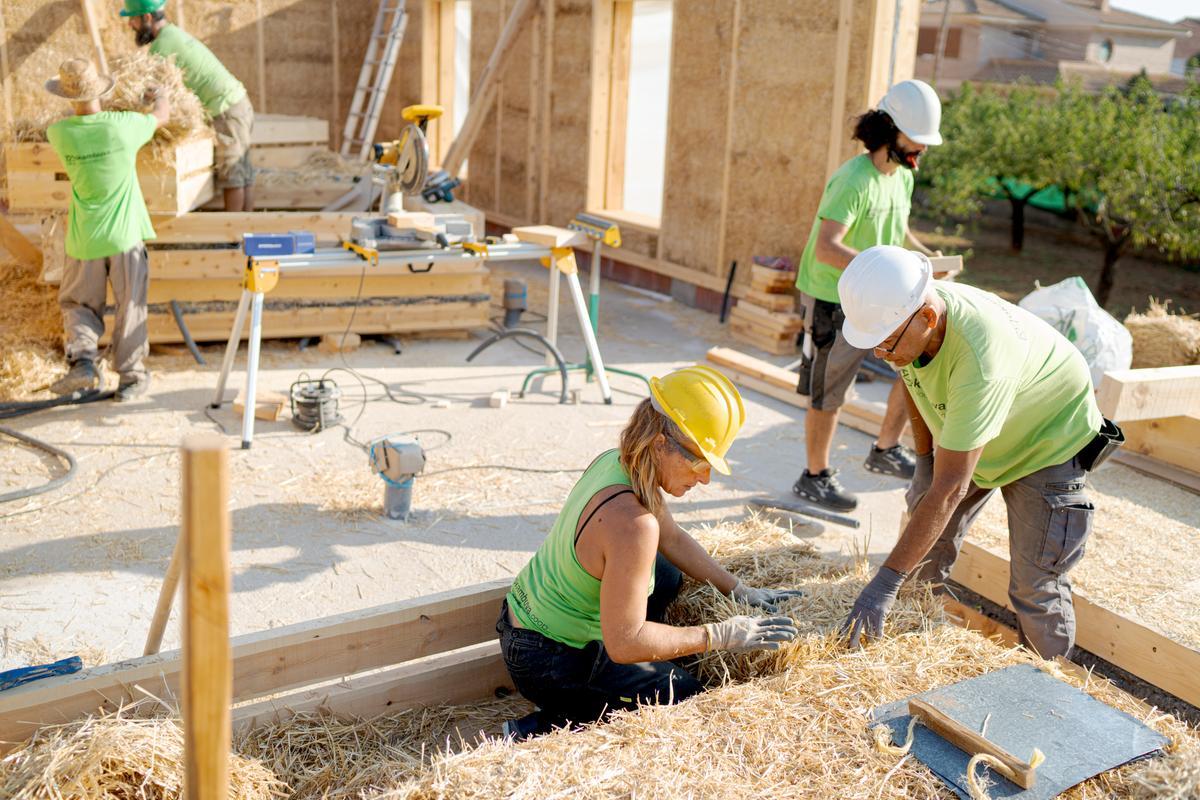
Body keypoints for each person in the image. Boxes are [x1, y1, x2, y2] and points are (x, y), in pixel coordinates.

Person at [837, 246, 1119, 659]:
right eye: (875, 348)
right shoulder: (905, 324)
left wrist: (882, 584)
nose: (881, 355)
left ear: (927, 318)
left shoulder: (979, 360)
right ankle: (908, 639)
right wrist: (924, 459)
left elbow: (952, 488)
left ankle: (1047, 689)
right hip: (985, 423)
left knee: (1034, 584)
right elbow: (912, 380)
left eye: (884, 346)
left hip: (1046, 438)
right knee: (925, 535)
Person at [498, 366, 801, 740]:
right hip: (550, 663)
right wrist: (719, 634)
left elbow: (672, 539)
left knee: (668, 571)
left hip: (523, 625)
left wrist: (739, 589)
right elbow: (625, 644)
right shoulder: (633, 525)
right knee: (691, 697)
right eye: (700, 463)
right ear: (661, 442)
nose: (705, 478)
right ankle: (543, 726)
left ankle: (631, 669)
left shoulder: (619, 462)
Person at [792, 79, 945, 513]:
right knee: (830, 390)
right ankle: (814, 476)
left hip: (884, 293)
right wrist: (881, 273)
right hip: (831, 297)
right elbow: (827, 247)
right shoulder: (853, 180)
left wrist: (925, 256)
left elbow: (898, 232)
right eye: (916, 140)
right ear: (889, 130)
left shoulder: (901, 178)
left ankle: (885, 448)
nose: (923, 150)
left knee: (914, 368)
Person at [45, 58, 170, 401]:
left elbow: (82, 121)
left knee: (78, 304)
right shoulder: (123, 126)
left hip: (84, 237)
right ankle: (130, 378)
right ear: (101, 89)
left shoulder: (59, 134)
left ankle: (83, 363)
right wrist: (159, 94)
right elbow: (162, 117)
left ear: (67, 97)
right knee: (131, 304)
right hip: (125, 236)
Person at [121, 0, 255, 211]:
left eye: (133, 18)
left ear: (147, 17)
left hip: (226, 109)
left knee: (234, 177)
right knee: (243, 175)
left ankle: (234, 238)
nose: (130, 24)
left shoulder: (162, 46)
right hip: (236, 104)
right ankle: (246, 232)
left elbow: (156, 90)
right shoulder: (172, 34)